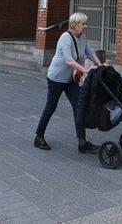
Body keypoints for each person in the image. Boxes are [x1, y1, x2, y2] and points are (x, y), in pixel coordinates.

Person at [33, 12, 104, 153]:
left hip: (71, 79)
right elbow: (69, 60)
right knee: (51, 107)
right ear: (74, 25)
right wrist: (85, 70)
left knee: (79, 107)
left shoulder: (82, 38)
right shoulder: (65, 38)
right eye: (83, 24)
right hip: (56, 78)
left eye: (85, 23)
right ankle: (38, 137)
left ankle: (82, 142)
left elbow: (90, 53)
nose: (85, 26)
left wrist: (100, 66)